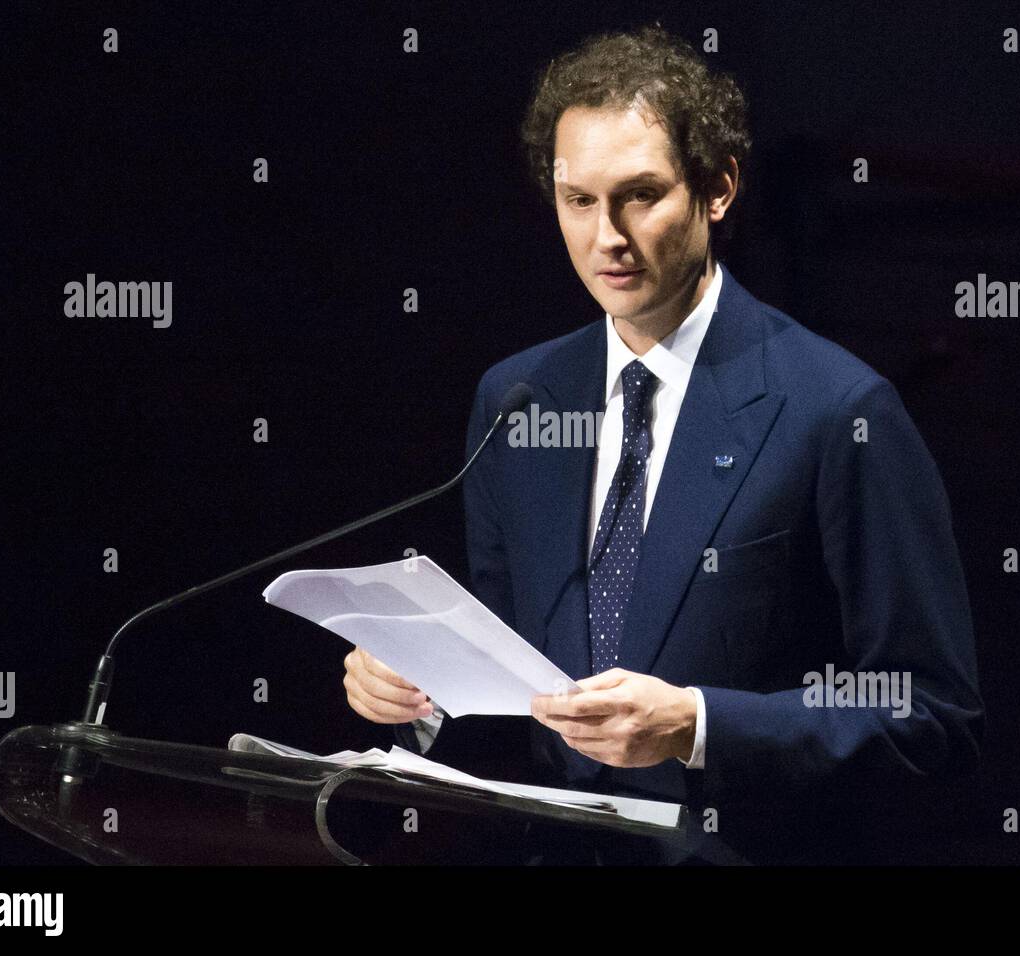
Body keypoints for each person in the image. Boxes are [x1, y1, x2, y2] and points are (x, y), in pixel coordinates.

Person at [343, 23, 983, 865]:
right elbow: (513, 674)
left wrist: (699, 725)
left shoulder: (838, 409)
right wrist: (416, 688)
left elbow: (930, 715)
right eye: (579, 200)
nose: (607, 234)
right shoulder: (519, 399)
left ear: (717, 189)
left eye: (640, 195)